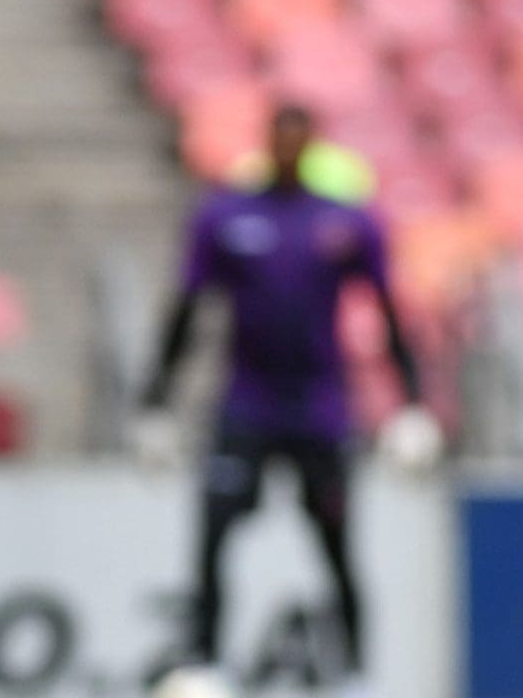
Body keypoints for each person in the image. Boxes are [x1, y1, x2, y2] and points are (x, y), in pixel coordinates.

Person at [137, 103, 442, 696]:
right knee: (215, 531)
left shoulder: (344, 223)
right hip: (247, 403)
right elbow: (189, 310)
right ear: (267, 142)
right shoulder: (226, 218)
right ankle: (202, 663)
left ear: (311, 146)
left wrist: (410, 401)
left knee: (336, 542)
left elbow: (386, 311)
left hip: (319, 409)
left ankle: (355, 671)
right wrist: (157, 400)